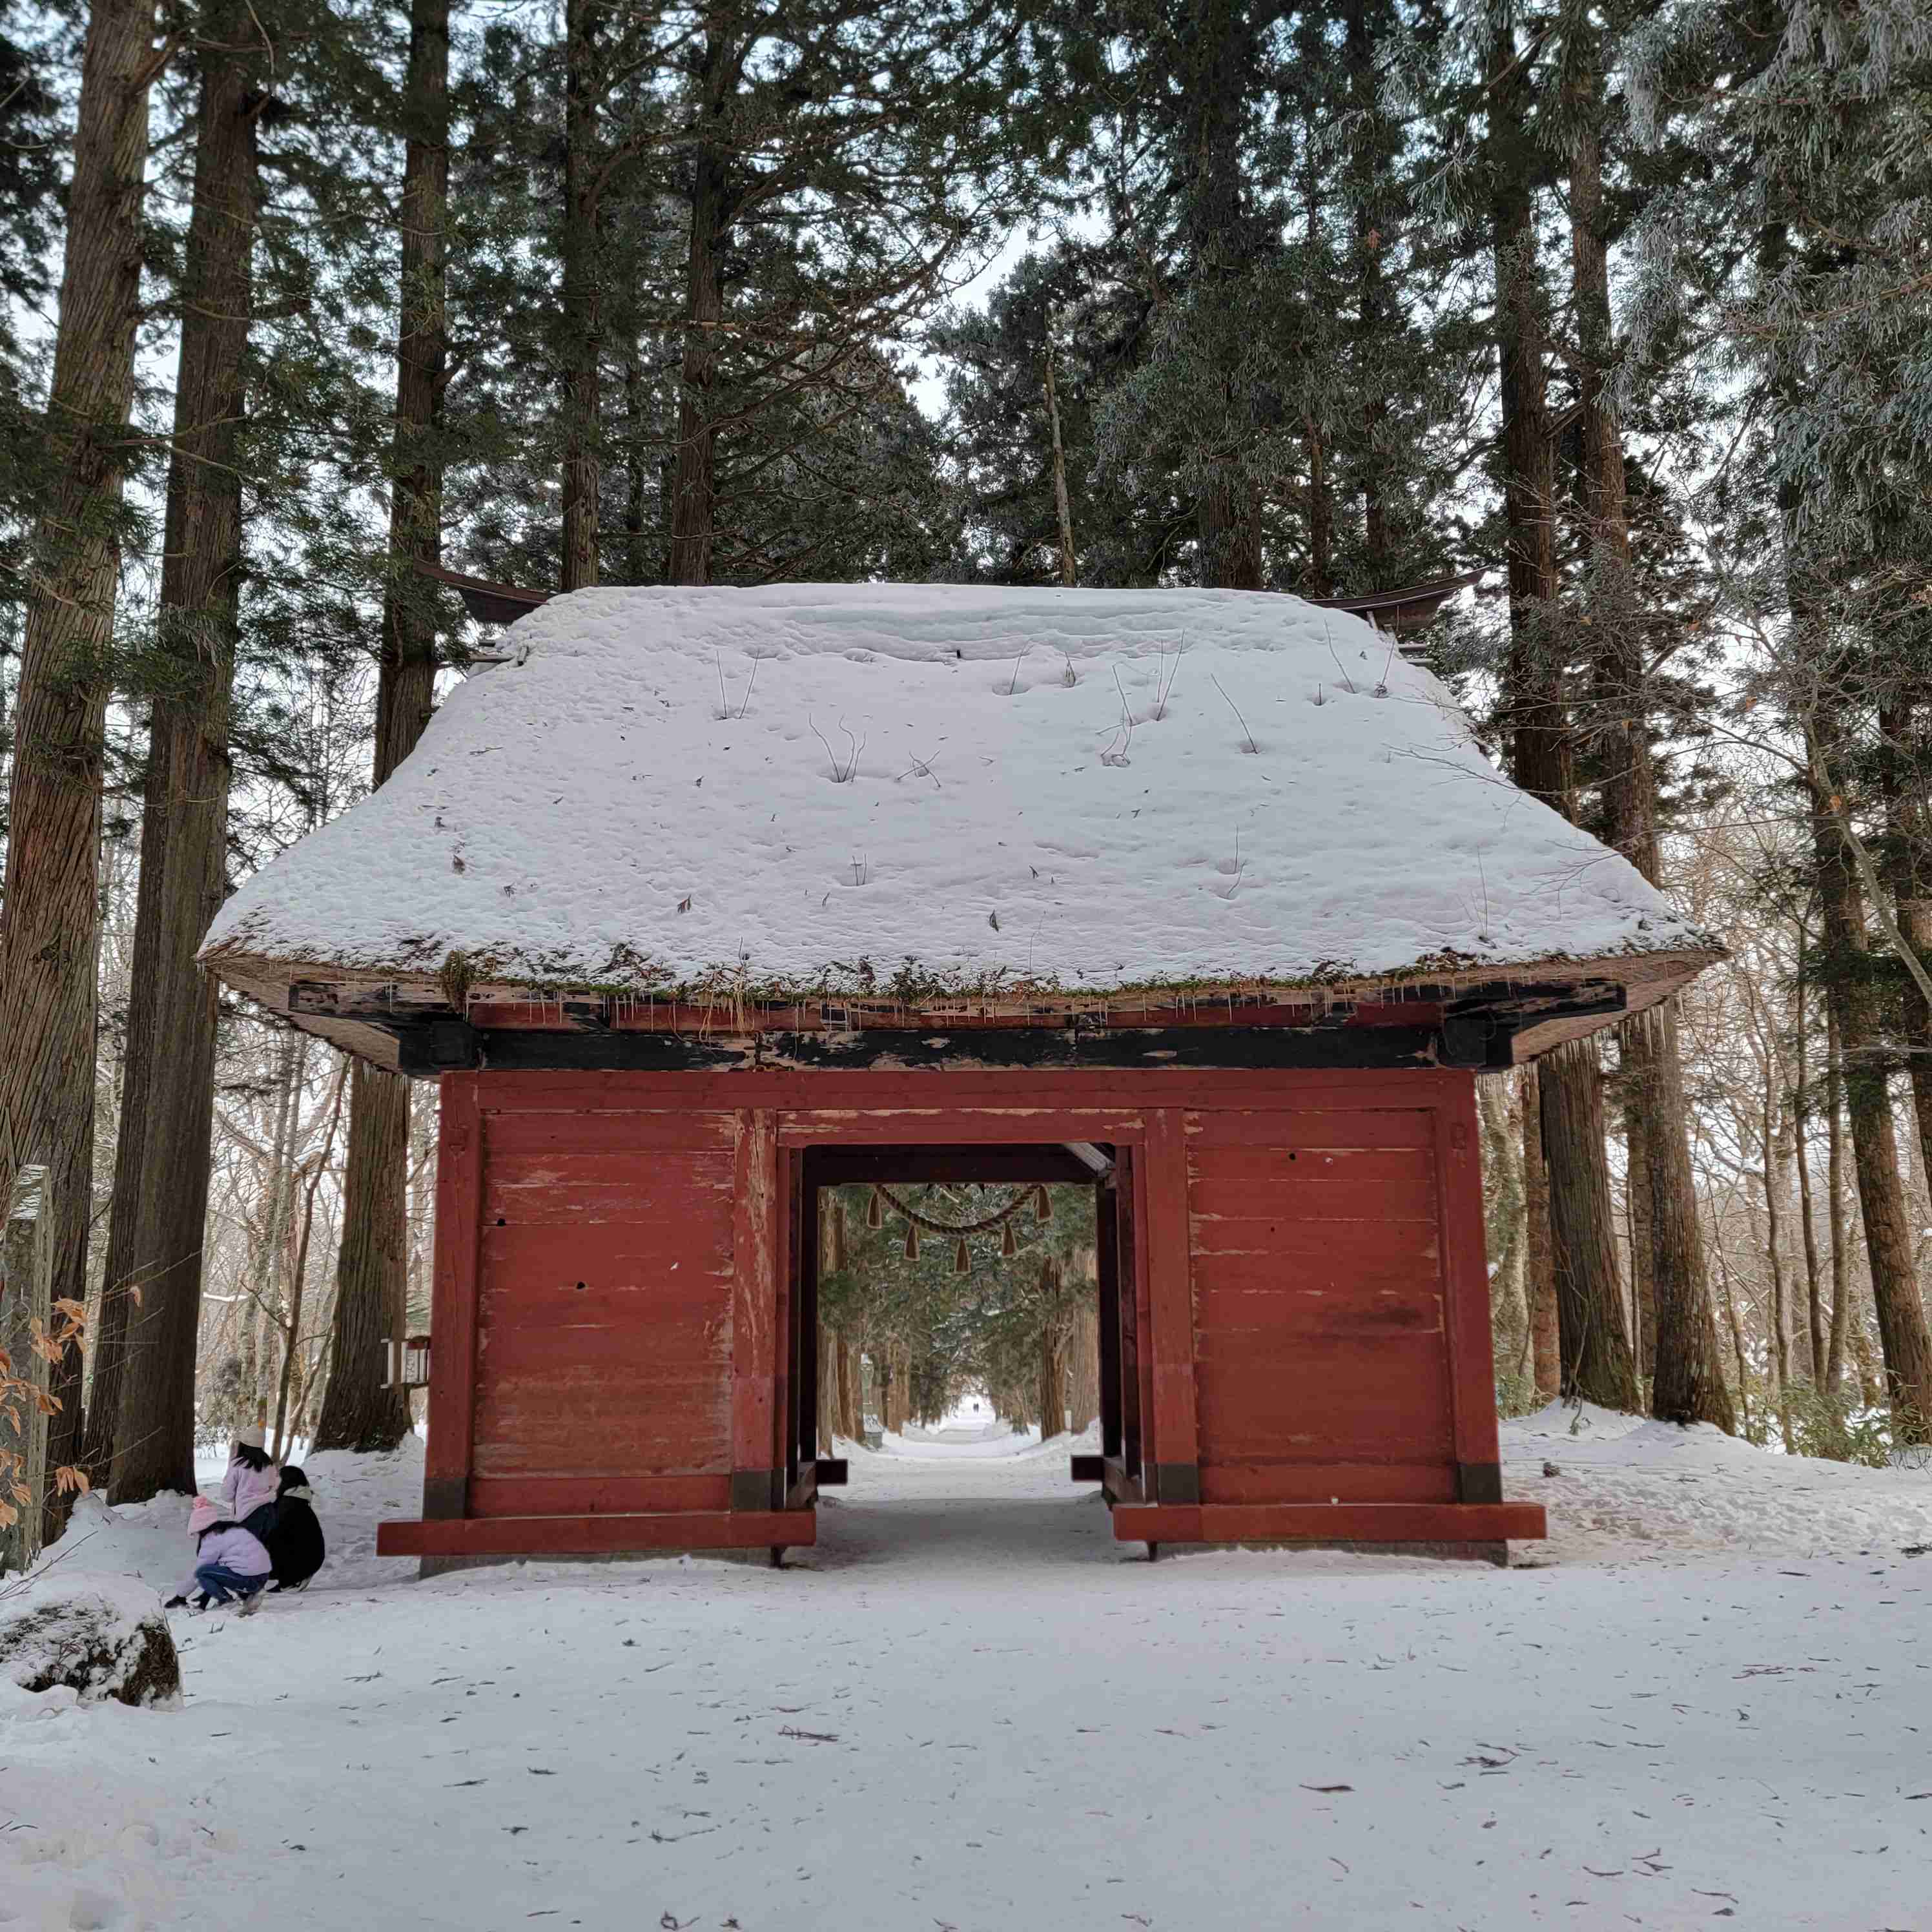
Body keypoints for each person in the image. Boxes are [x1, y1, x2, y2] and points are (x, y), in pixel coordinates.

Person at [164, 1495, 272, 1614]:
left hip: (250, 1579)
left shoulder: (212, 1539)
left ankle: (226, 1601)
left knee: (202, 1572)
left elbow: (199, 1571)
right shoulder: (230, 1529)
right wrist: (204, 1598)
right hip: (262, 1575)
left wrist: (180, 1596)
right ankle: (251, 1595)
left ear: (200, 1527)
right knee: (225, 1568)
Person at [265, 1464, 325, 1591]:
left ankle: (293, 1580)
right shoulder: (293, 1501)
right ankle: (290, 1578)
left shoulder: (289, 1505)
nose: (275, 1481)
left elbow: (276, 1536)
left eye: (278, 1478)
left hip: (304, 1561)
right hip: (307, 1558)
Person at [221, 1424, 280, 1543]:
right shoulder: (269, 1465)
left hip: (246, 1517)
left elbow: (226, 1495)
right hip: (268, 1515)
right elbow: (275, 1487)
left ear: (243, 1445)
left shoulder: (238, 1465)